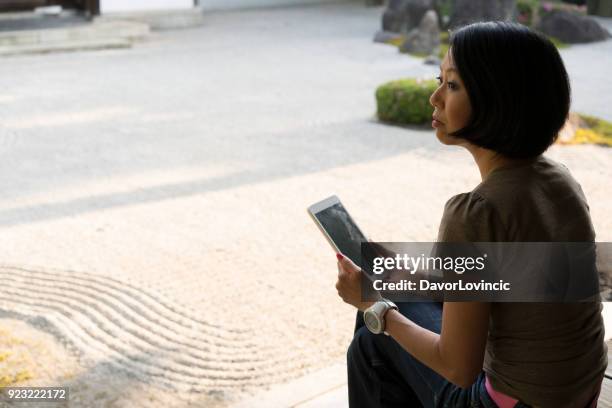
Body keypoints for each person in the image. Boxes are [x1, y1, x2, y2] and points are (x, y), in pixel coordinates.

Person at [335, 21, 607, 408]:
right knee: (389, 289)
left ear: (498, 99)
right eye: (439, 80)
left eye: (453, 85)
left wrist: (374, 309)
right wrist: (418, 278)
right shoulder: (559, 182)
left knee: (372, 337)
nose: (434, 98)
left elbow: (458, 368)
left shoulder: (476, 210)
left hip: (510, 403)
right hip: (580, 393)